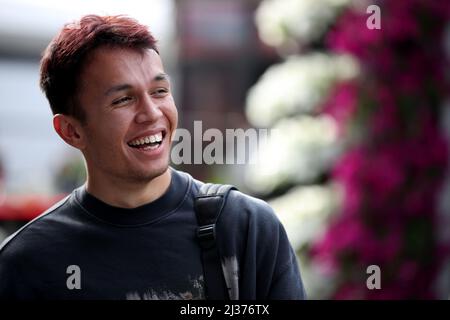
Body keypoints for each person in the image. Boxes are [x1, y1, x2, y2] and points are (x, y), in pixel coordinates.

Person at [0, 15, 306, 300]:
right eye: (123, 99)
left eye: (160, 91)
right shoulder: (28, 262)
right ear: (71, 131)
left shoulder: (245, 229)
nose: (151, 113)